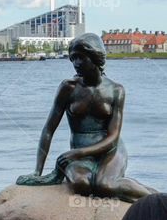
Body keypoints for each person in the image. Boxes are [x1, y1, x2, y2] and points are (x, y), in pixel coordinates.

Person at [18, 32, 154, 202]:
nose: (76, 64)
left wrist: (76, 153)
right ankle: (138, 196)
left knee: (105, 185)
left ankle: (156, 201)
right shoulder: (68, 88)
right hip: (79, 155)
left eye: (80, 58)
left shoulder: (116, 90)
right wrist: (37, 172)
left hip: (110, 150)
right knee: (81, 185)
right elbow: (48, 130)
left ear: (95, 56)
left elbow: (113, 137)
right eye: (72, 58)